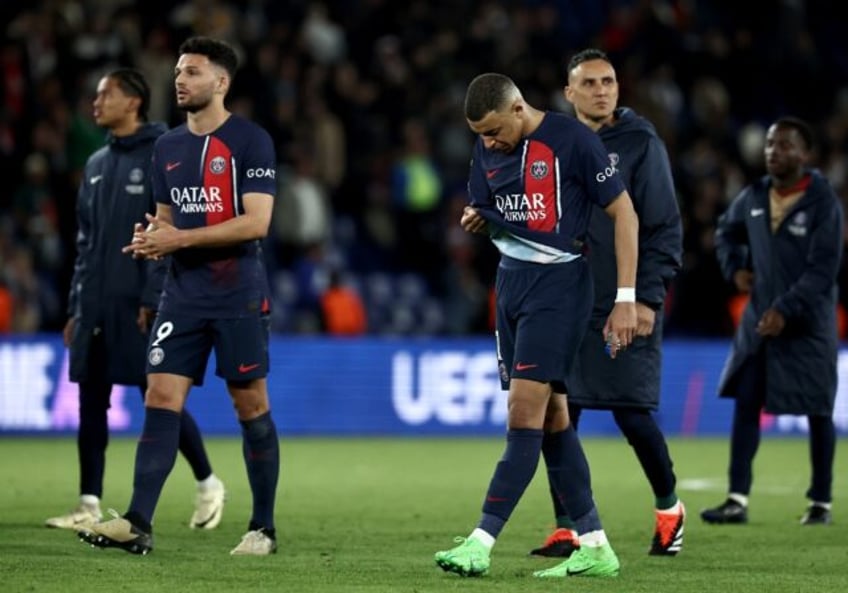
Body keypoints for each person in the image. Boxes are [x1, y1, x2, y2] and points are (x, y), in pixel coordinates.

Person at [77, 37, 280, 556]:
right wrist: (152, 242)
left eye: (192, 72)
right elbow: (166, 222)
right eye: (178, 73)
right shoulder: (166, 147)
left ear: (221, 82)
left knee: (249, 404)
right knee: (160, 396)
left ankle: (262, 527)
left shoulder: (251, 141)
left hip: (237, 292)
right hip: (181, 294)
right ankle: (138, 521)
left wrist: (177, 239)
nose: (180, 80)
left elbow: (256, 222)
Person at [434, 72, 639, 579]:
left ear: (519, 108)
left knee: (523, 412)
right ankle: (594, 545)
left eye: (493, 130)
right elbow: (485, 208)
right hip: (510, 285)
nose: (487, 143)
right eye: (479, 135)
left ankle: (481, 541)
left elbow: (625, 212)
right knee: (553, 421)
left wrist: (627, 298)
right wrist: (474, 220)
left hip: (559, 285)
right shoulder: (487, 149)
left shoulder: (573, 141)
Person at [46, 68, 225, 532]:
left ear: (134, 102)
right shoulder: (96, 163)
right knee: (90, 399)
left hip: (143, 303)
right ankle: (88, 502)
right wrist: (75, 306)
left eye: (106, 94)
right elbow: (86, 244)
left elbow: (171, 231)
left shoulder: (164, 154)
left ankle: (208, 483)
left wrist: (154, 295)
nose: (96, 103)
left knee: (158, 397)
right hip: (96, 305)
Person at [529, 48, 685, 559]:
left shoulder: (640, 144)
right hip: (566, 303)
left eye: (609, 81)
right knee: (559, 414)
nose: (602, 90)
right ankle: (567, 526)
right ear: (568, 93)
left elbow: (663, 225)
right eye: (590, 83)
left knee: (632, 416)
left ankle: (669, 510)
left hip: (624, 303)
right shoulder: (551, 143)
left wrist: (645, 298)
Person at [701, 117, 842, 526]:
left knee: (818, 410)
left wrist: (787, 308)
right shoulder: (755, 195)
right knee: (747, 403)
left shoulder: (823, 203)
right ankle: (736, 499)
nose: (772, 152)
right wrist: (736, 269)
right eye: (768, 145)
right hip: (761, 322)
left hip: (808, 325)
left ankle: (821, 502)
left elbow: (823, 270)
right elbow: (725, 233)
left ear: (804, 154)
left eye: (783, 146)